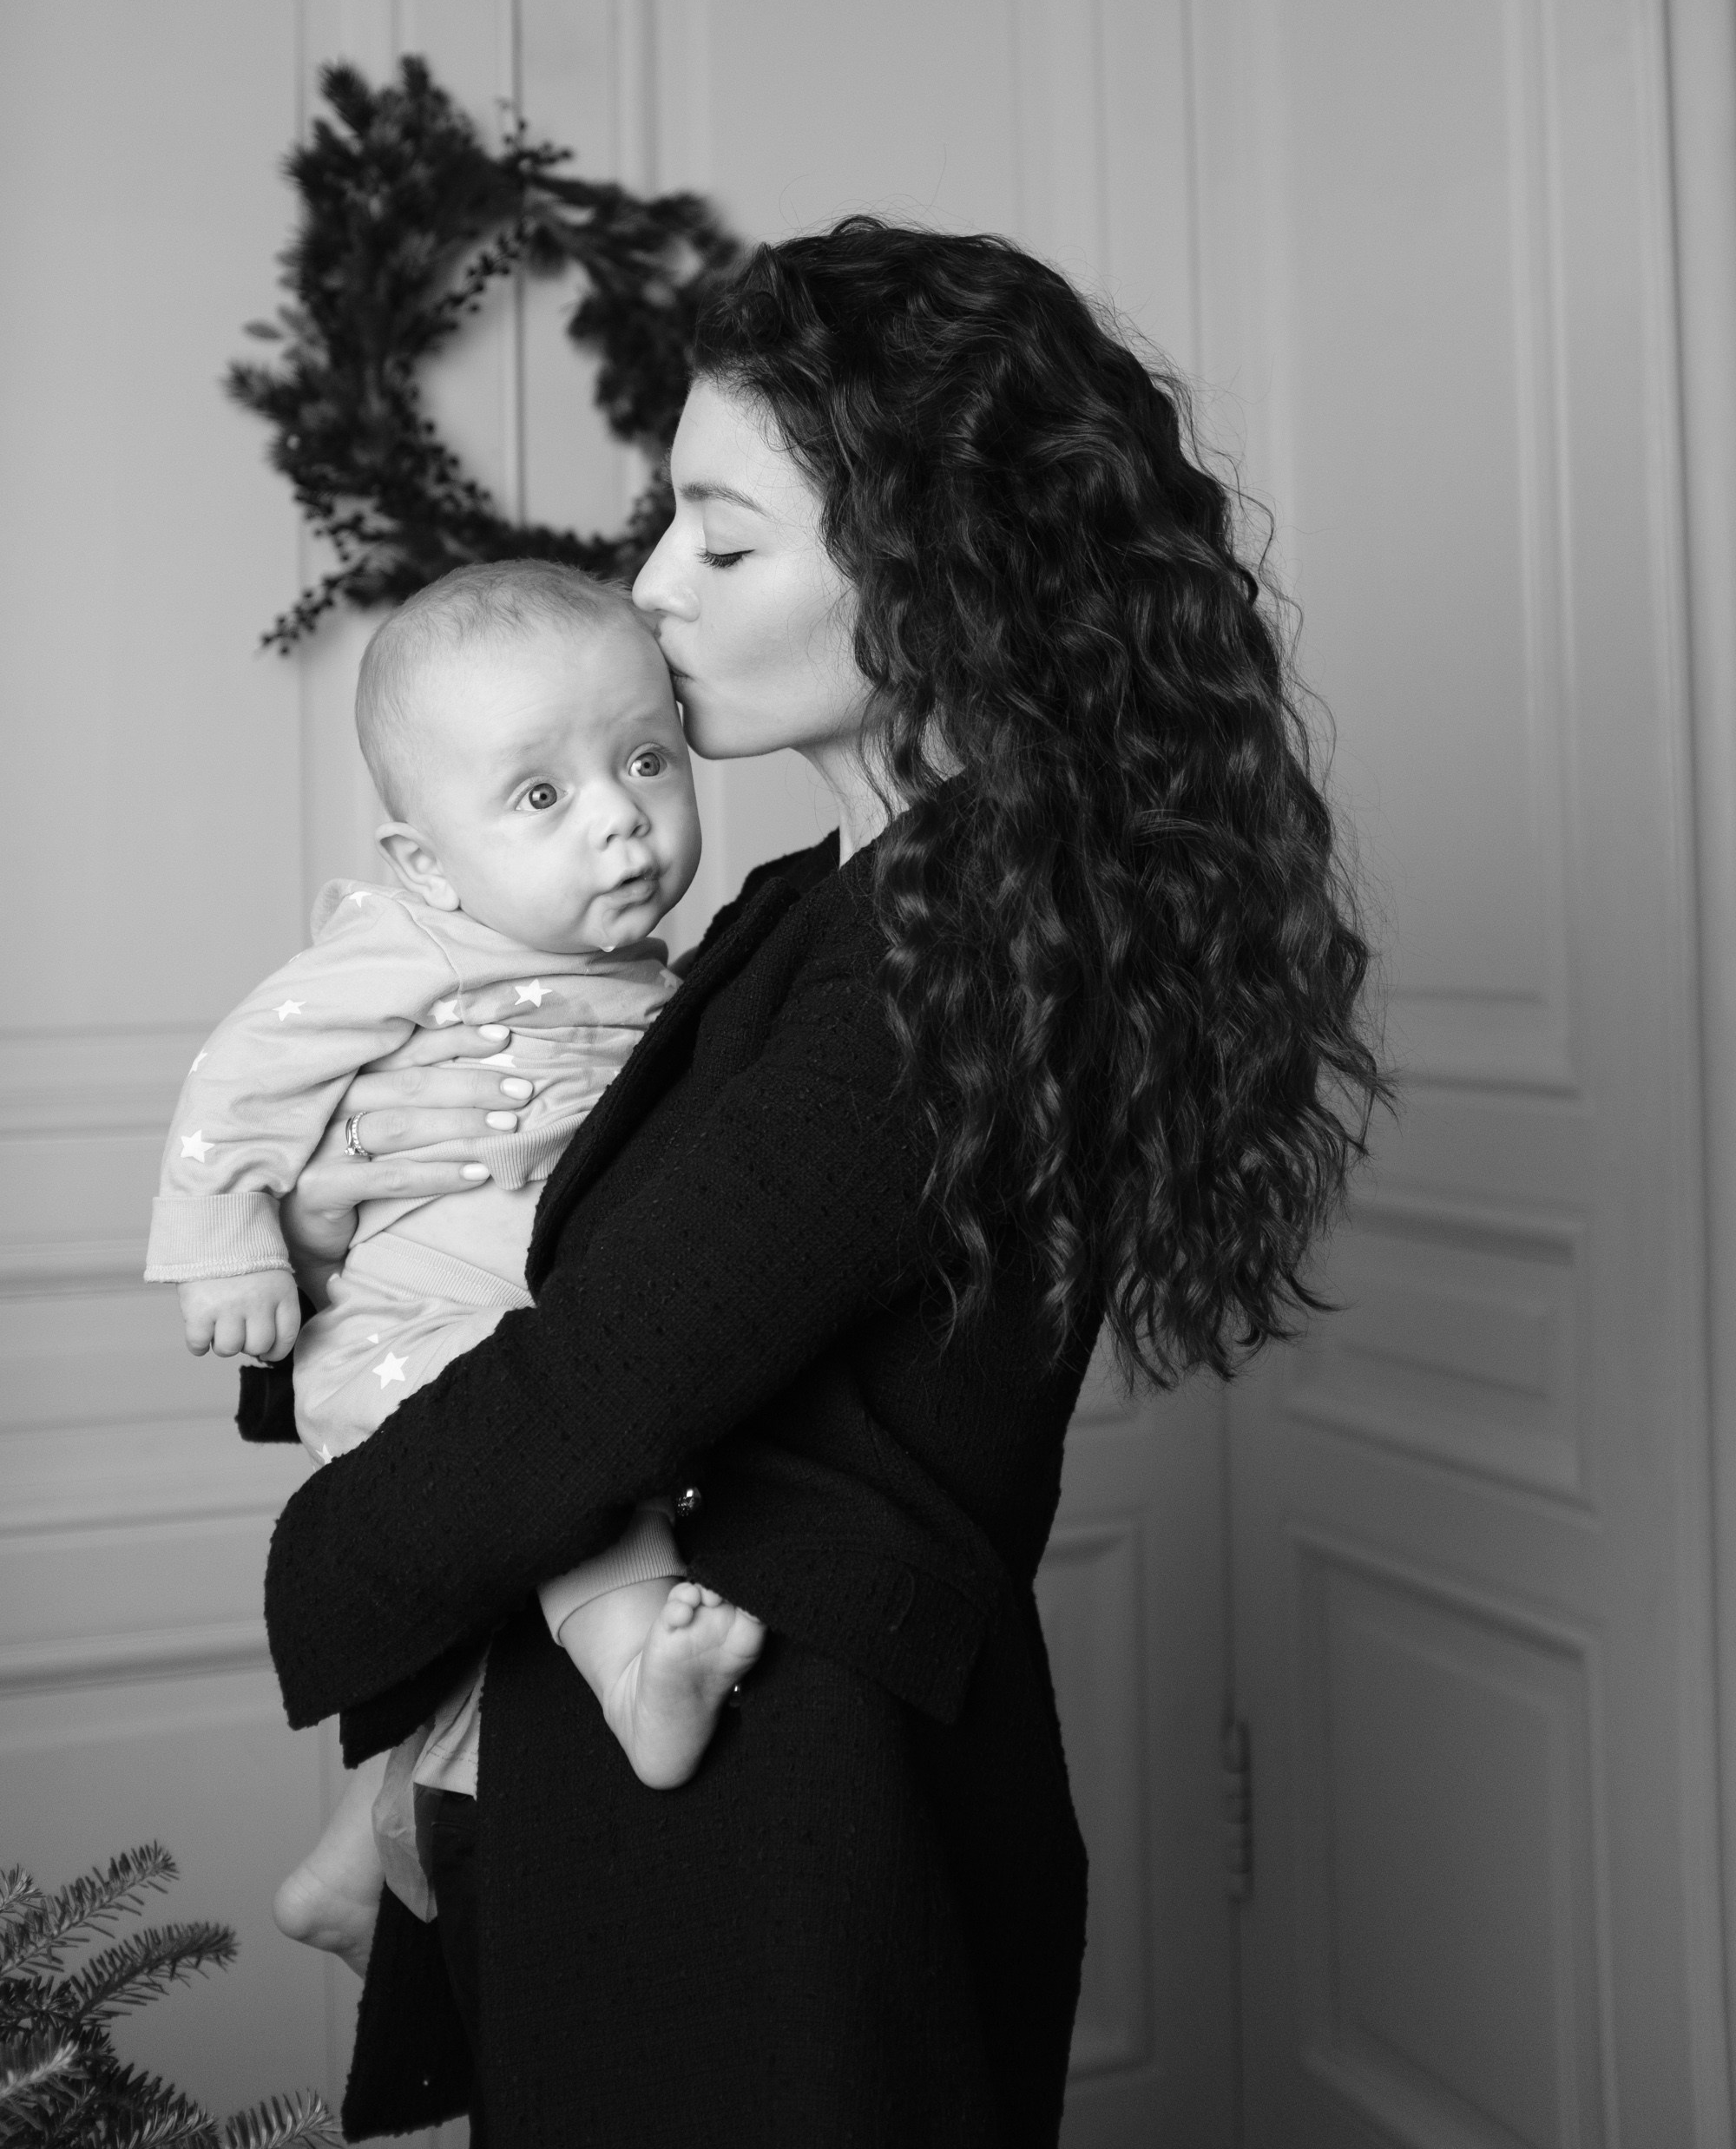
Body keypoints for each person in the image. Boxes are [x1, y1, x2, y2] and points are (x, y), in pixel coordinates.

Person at [256, 218, 1392, 2148]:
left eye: (725, 532)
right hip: (695, 1788)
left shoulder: (957, 937)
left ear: (935, 571)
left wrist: (322, 1559)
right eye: (665, 521)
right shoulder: (817, 903)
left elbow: (604, 1376)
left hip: (782, 1830)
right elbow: (558, 1250)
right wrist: (313, 1230)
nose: (654, 585)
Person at [144, 562, 762, 1968]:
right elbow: (242, 1071)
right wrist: (241, 1239)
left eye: (646, 759)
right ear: (426, 860)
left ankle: (360, 1860)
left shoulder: (674, 982)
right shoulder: (408, 943)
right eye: (539, 796)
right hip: (408, 1341)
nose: (620, 816)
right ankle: (633, 1674)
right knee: (557, 1462)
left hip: (518, 1339)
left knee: (521, 1550)